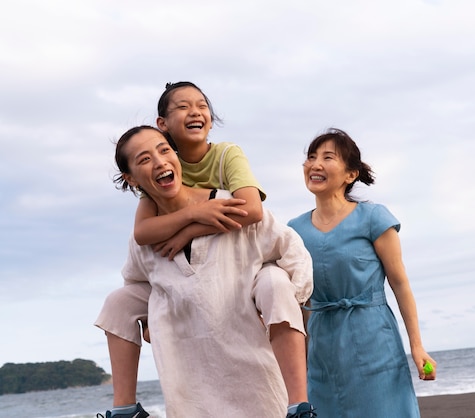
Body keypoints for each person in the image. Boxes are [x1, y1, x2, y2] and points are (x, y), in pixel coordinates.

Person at [95, 83, 314, 418]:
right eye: (144, 159)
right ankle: (124, 410)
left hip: (258, 390)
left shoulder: (233, 210)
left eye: (164, 151)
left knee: (274, 280)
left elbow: (294, 256)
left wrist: (277, 306)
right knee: (117, 300)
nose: (158, 161)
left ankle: (299, 407)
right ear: (133, 179)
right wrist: (151, 323)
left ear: (176, 155)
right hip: (190, 395)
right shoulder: (145, 238)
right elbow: (133, 287)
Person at [288, 128, 437, 417]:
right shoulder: (294, 230)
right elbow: (299, 301)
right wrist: (300, 363)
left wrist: (417, 347)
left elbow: (400, 283)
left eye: (327, 157)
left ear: (350, 174)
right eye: (311, 157)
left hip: (373, 340)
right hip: (322, 352)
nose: (315, 164)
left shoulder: (373, 217)